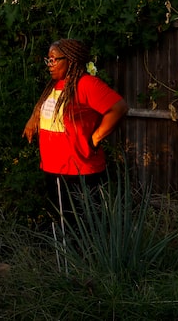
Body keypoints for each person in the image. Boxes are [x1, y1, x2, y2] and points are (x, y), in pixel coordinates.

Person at [22, 38, 128, 219]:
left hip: (78, 171)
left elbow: (119, 108)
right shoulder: (55, 85)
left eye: (54, 59)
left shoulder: (86, 84)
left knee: (83, 226)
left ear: (70, 60)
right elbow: (44, 106)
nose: (49, 64)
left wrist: (95, 138)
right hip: (54, 168)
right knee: (62, 223)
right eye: (48, 60)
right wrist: (33, 118)